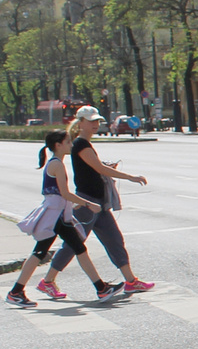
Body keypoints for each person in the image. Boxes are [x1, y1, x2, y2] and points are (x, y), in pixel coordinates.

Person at [35, 105, 152, 300]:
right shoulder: (80, 144)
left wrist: (105, 166)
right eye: (91, 121)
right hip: (87, 203)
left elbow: (95, 167)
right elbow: (98, 168)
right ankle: (47, 281)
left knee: (114, 240)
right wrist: (130, 176)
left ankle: (131, 281)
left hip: (98, 203)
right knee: (74, 243)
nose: (96, 124)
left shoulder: (83, 144)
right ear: (80, 123)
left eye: (97, 121)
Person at [7, 132, 118, 308]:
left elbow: (58, 194)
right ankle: (15, 292)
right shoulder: (57, 165)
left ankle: (101, 287)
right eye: (67, 142)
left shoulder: (55, 163)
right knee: (59, 251)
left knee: (52, 251)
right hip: (56, 217)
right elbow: (64, 193)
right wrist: (88, 204)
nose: (71, 145)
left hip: (57, 215)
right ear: (58, 145)